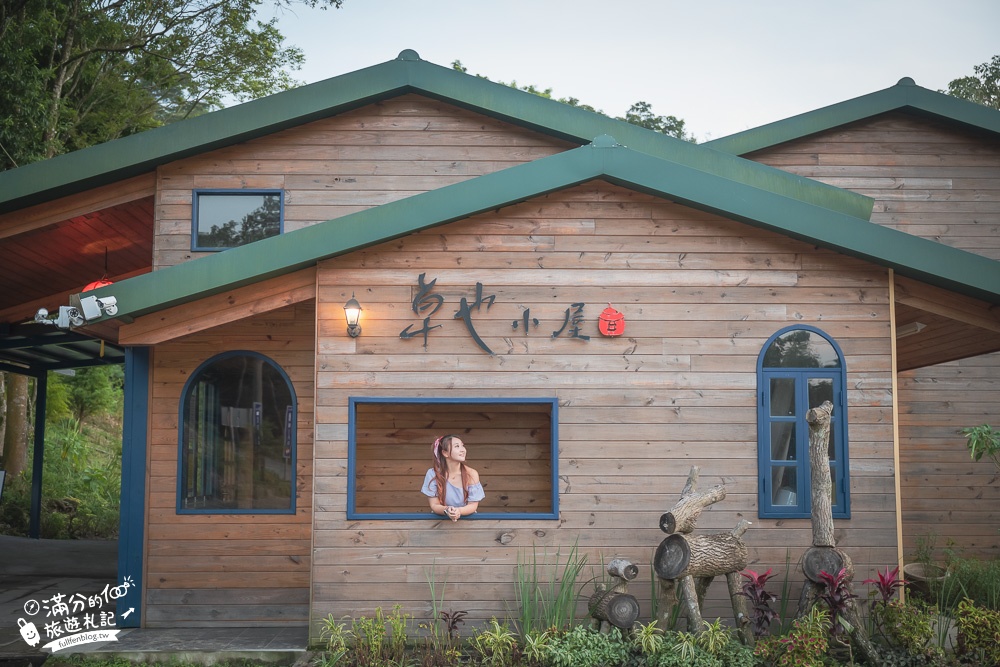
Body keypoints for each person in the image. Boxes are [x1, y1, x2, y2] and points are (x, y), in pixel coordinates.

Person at [420, 435, 484, 521]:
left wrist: (458, 511)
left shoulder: (471, 474)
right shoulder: (432, 474)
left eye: (462, 445)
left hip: (467, 522)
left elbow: (473, 505)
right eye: (457, 446)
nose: (463, 450)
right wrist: (447, 510)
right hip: (439, 522)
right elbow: (434, 504)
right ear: (445, 453)